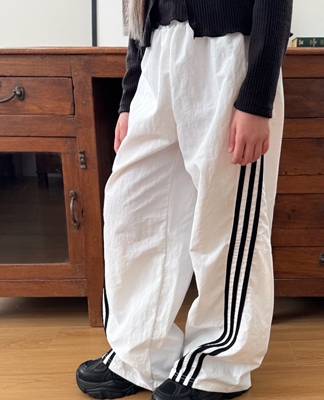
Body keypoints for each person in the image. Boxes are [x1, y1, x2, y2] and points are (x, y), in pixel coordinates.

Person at [76, 0, 293, 399]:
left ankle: (219, 365)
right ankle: (142, 351)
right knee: (132, 210)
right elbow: (137, 9)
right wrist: (129, 96)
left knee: (225, 220)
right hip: (158, 53)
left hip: (228, 53)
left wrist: (257, 96)